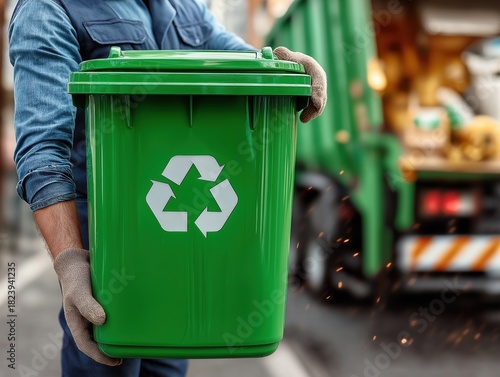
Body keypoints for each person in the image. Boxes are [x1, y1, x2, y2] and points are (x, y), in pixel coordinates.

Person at [8, 0, 327, 376]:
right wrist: (71, 264)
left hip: (178, 261)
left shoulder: (180, 7)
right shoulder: (48, 8)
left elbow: (241, 63)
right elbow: (42, 153)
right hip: (111, 254)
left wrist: (282, 65)